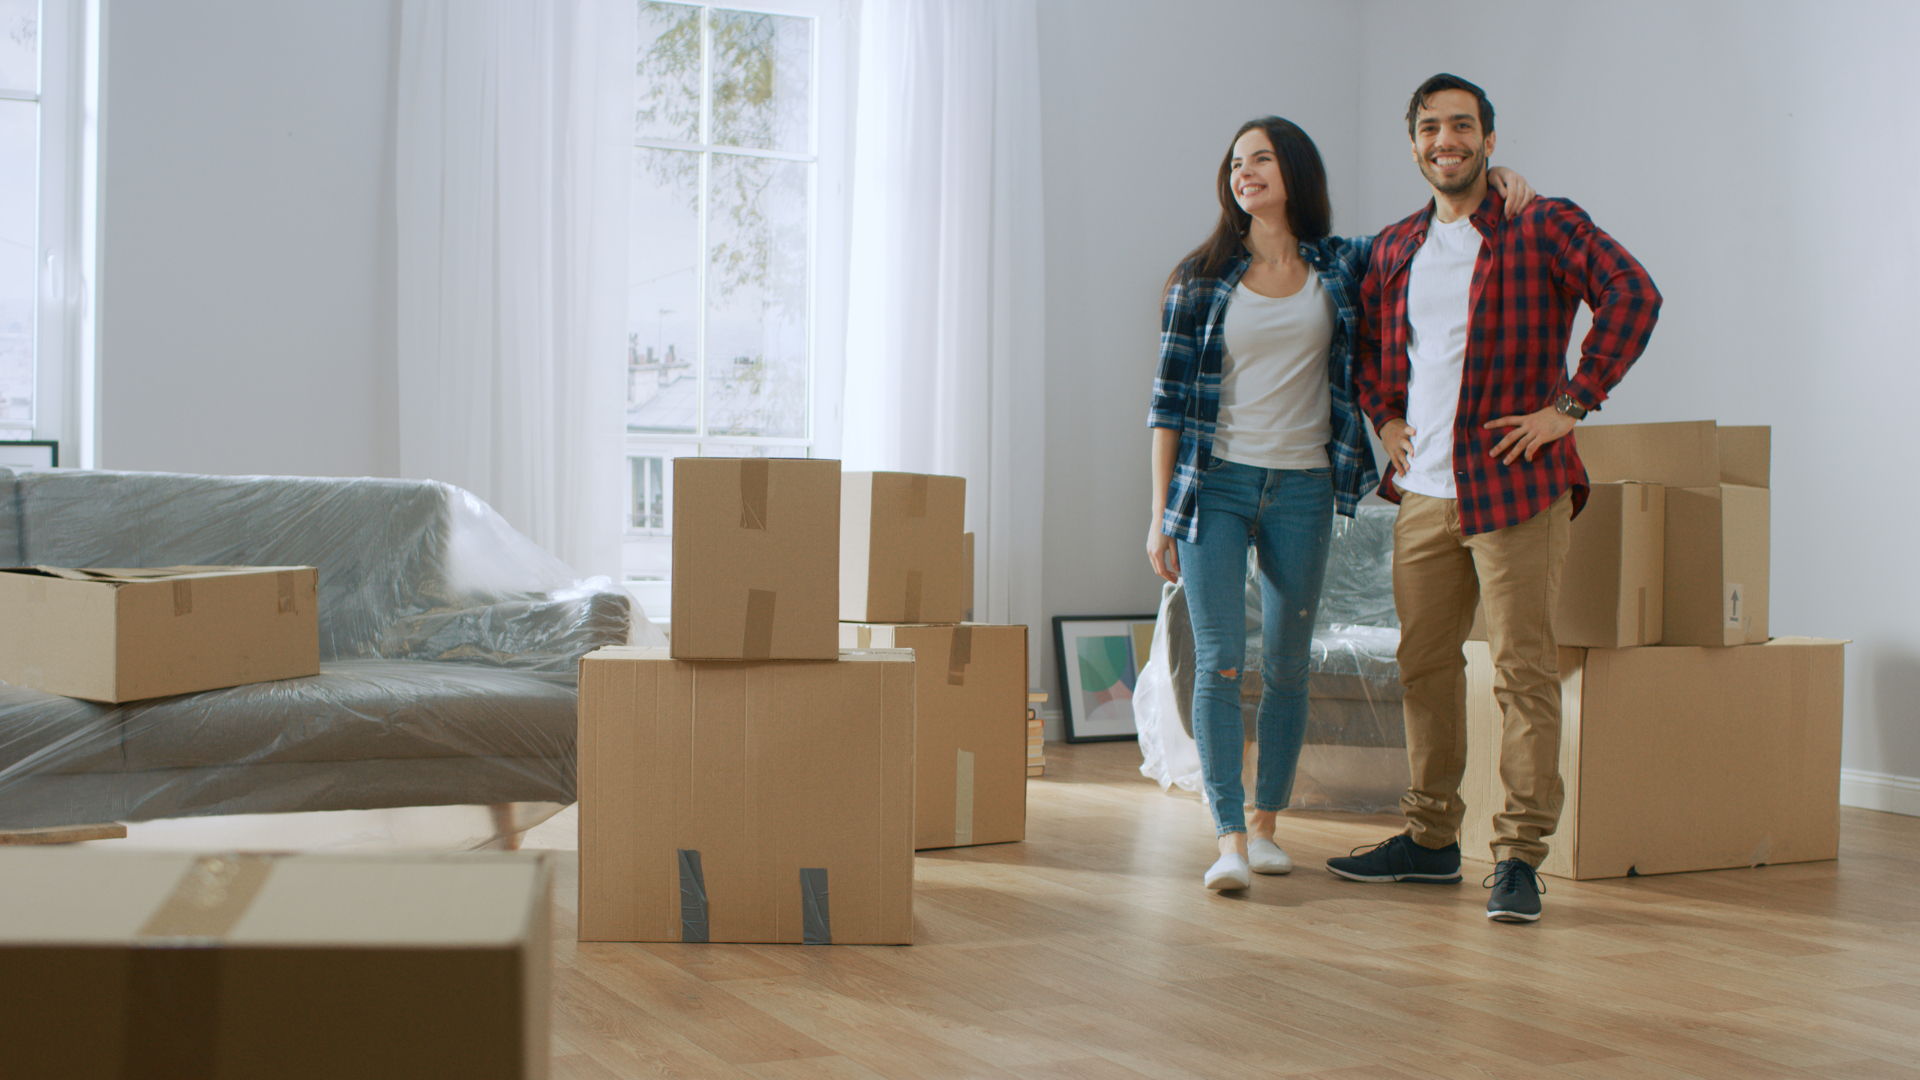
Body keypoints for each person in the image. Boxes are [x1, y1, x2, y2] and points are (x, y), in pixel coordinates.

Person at [1147, 115, 1535, 892]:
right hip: (1214, 485)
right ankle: (1226, 838)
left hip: (1303, 487)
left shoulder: (1344, 263)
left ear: (1294, 171)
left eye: (1259, 159)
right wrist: (1158, 512)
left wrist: (1499, 186)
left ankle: (1264, 827)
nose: (1243, 173)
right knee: (1221, 661)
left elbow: (1428, 235)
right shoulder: (1199, 279)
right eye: (1234, 164)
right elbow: (1165, 404)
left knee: (1287, 665)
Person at [1327, 74, 1661, 922]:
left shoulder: (1542, 223)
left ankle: (1516, 857)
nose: (1448, 140)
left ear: (1490, 139)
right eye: (1432, 128)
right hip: (1425, 496)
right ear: (1413, 144)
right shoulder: (1396, 246)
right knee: (1424, 669)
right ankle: (1432, 841)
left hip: (1517, 488)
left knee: (1521, 672)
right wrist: (1386, 415)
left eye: (1464, 126)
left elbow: (1634, 293)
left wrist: (1572, 406)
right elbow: (1366, 344)